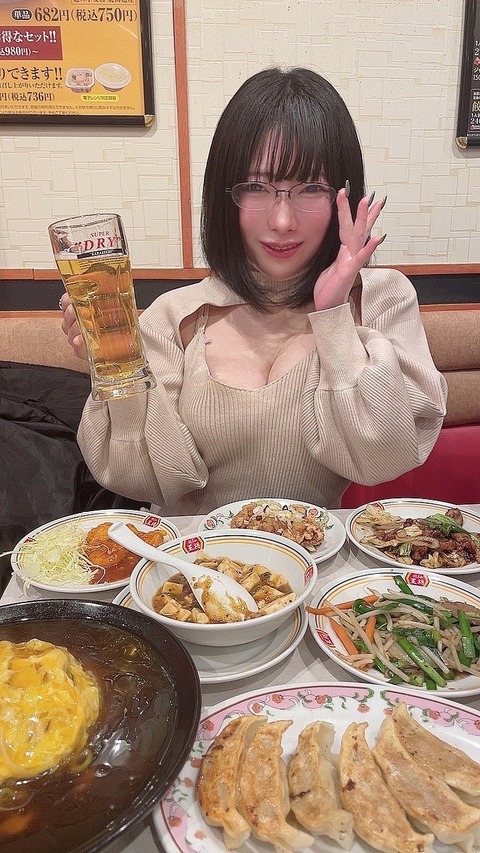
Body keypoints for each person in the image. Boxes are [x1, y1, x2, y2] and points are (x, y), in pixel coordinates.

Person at [60, 66, 447, 516]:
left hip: (312, 554)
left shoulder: (381, 299)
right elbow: (138, 477)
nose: (282, 221)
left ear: (344, 192)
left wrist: (333, 316)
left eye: (311, 188)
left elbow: (385, 457)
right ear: (225, 195)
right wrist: (115, 368)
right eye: (256, 187)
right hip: (192, 557)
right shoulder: (174, 316)